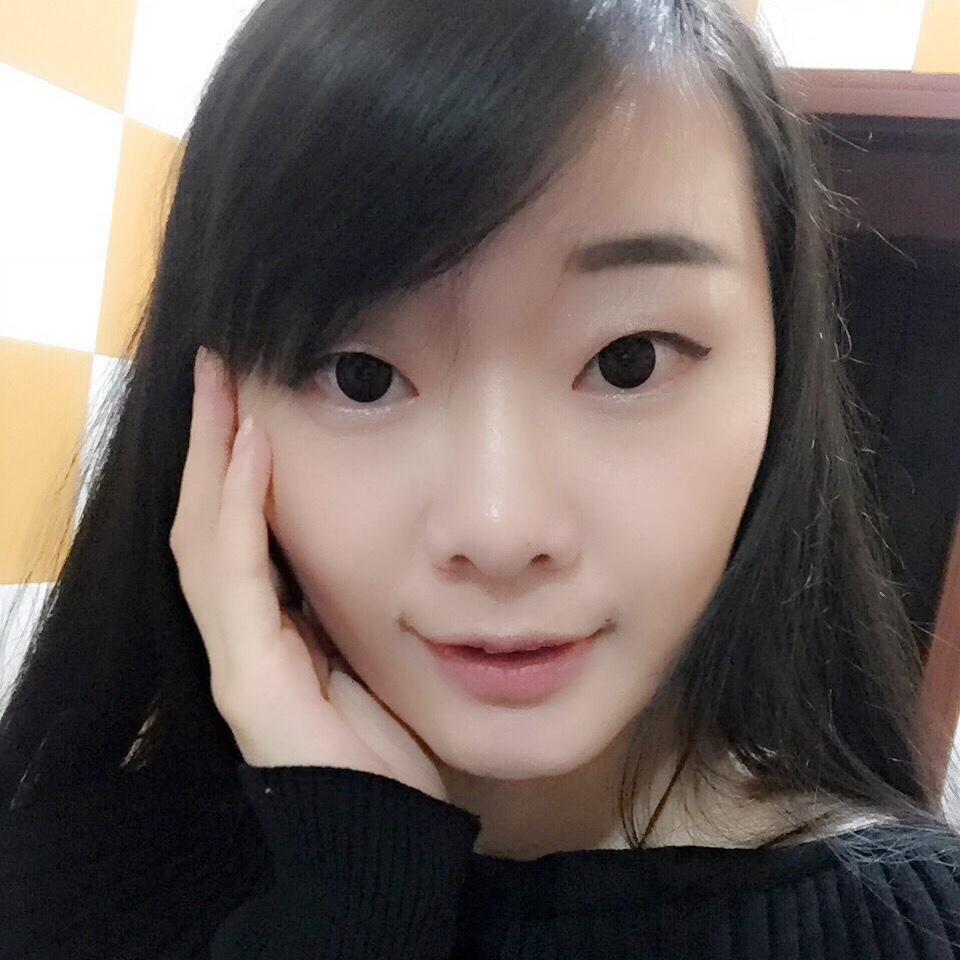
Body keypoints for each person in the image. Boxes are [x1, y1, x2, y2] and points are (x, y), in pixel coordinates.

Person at [2, 0, 960, 956]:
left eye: (628, 360)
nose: (501, 530)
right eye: (361, 375)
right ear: (211, 407)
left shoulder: (919, 929)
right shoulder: (60, 890)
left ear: (782, 374)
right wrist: (350, 893)